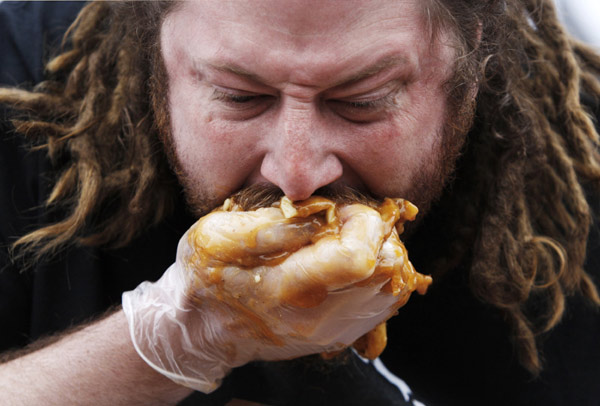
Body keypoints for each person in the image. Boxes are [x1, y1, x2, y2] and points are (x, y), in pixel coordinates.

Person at [1, 0, 599, 405]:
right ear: (152, 46)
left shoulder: (580, 163)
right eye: (238, 97)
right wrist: (179, 338)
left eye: (362, 99)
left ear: (468, 61)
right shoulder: (17, 98)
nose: (296, 176)